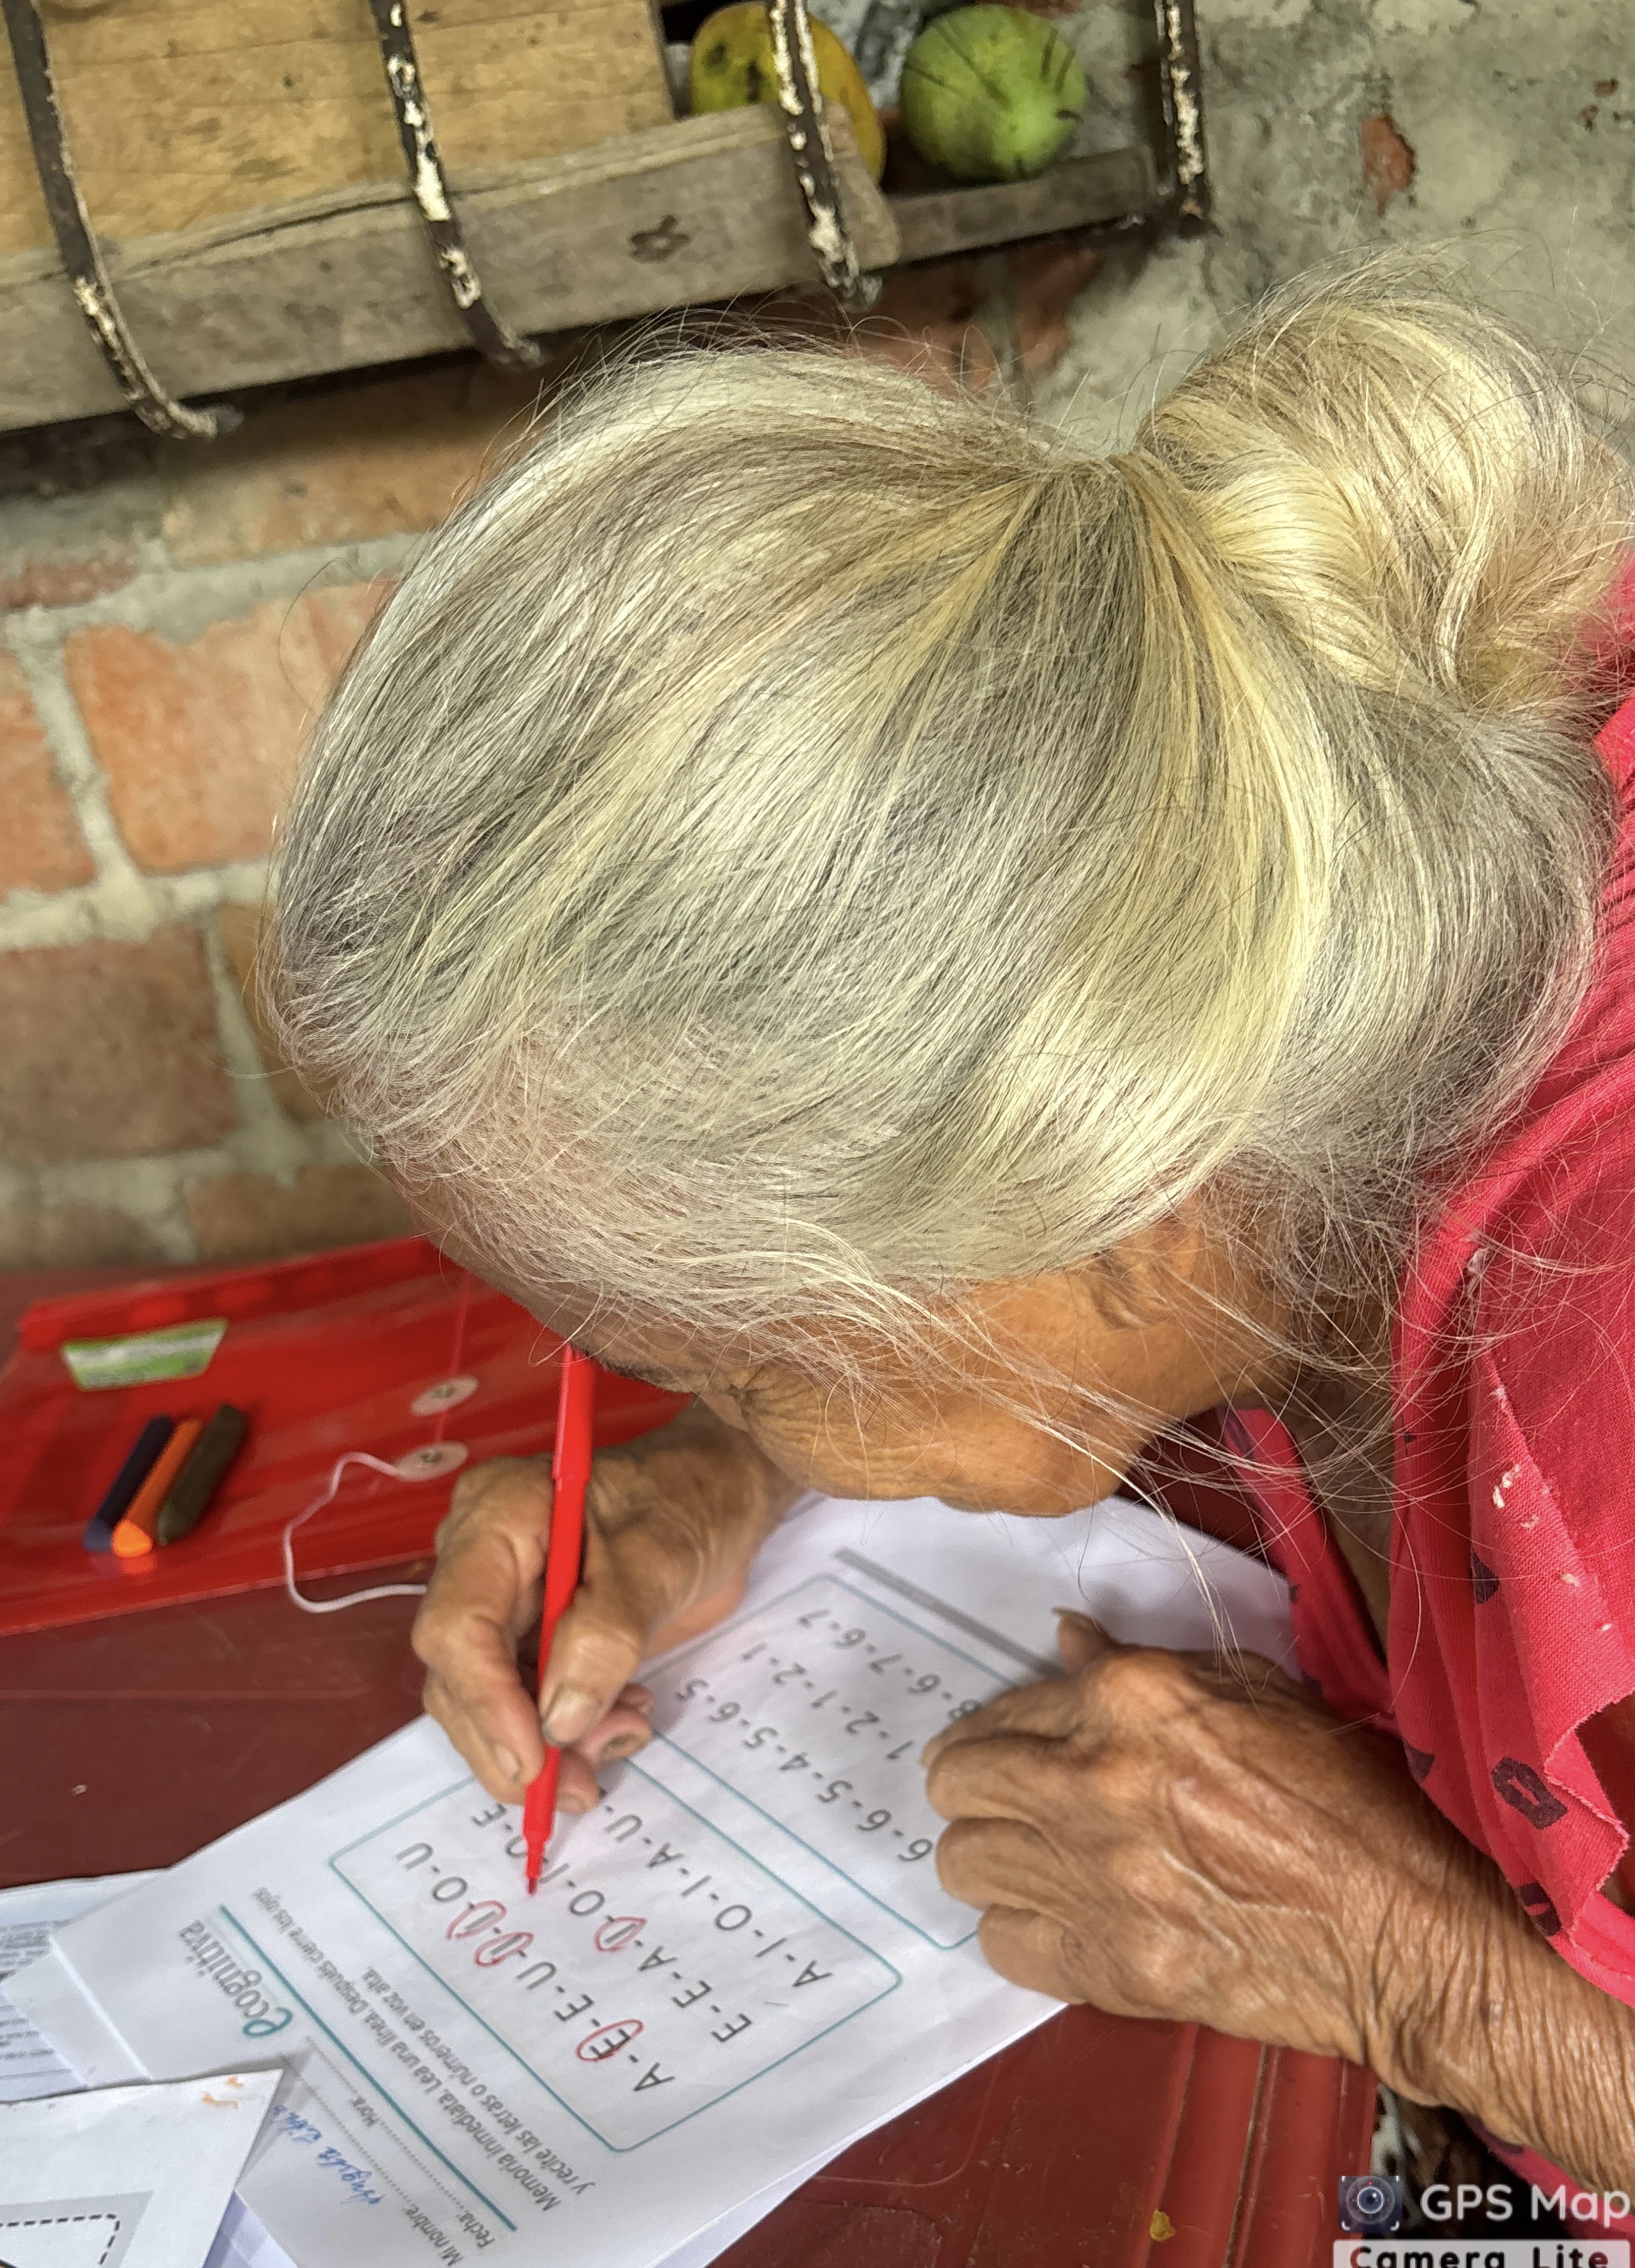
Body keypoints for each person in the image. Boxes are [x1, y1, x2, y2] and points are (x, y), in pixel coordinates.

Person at [267, 266, 1635, 2204]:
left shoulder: (1605, 1381)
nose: (728, 1403)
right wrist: (724, 1468)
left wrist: (1419, 1978)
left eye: (739, 1350)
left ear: (1113, 1176)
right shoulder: (1287, 777)